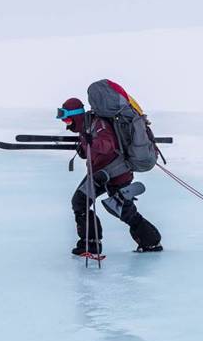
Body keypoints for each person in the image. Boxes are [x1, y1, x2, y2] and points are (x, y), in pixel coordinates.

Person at [57, 97, 163, 255]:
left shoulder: (98, 125)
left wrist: (91, 142)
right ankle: (90, 243)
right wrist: (84, 147)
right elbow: (93, 150)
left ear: (76, 116)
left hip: (117, 173)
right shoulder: (85, 127)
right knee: (80, 202)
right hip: (100, 174)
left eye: (67, 120)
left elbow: (107, 145)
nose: (67, 125)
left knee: (123, 211)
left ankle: (151, 242)